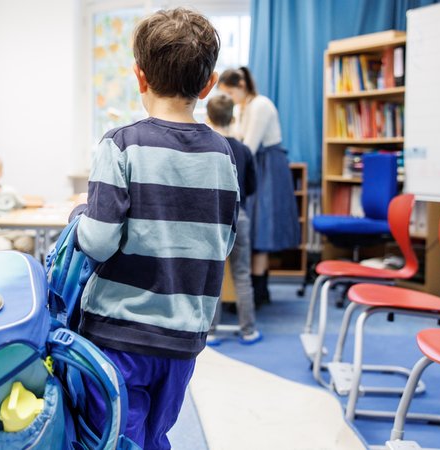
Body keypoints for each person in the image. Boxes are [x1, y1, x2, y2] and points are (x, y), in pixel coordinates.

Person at [72, 8, 238, 449]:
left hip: (119, 334)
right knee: (153, 435)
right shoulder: (222, 154)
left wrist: (79, 219)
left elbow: (100, 241)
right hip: (183, 337)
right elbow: (224, 239)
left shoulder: (121, 144)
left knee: (112, 439)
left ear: (139, 76)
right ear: (208, 84)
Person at [218, 67, 300, 304]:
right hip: (255, 165)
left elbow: (249, 146)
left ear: (241, 86)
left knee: (263, 227)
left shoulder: (261, 105)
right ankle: (249, 292)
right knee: (253, 228)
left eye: (231, 93)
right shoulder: (244, 108)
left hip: (267, 167)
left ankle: (259, 290)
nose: (230, 99)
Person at [204, 94, 261, 346]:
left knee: (212, 274)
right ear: (233, 117)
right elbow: (251, 187)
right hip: (240, 215)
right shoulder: (244, 149)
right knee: (242, 274)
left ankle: (211, 330)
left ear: (208, 117)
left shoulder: (206, 147)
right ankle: (248, 330)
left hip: (212, 217)